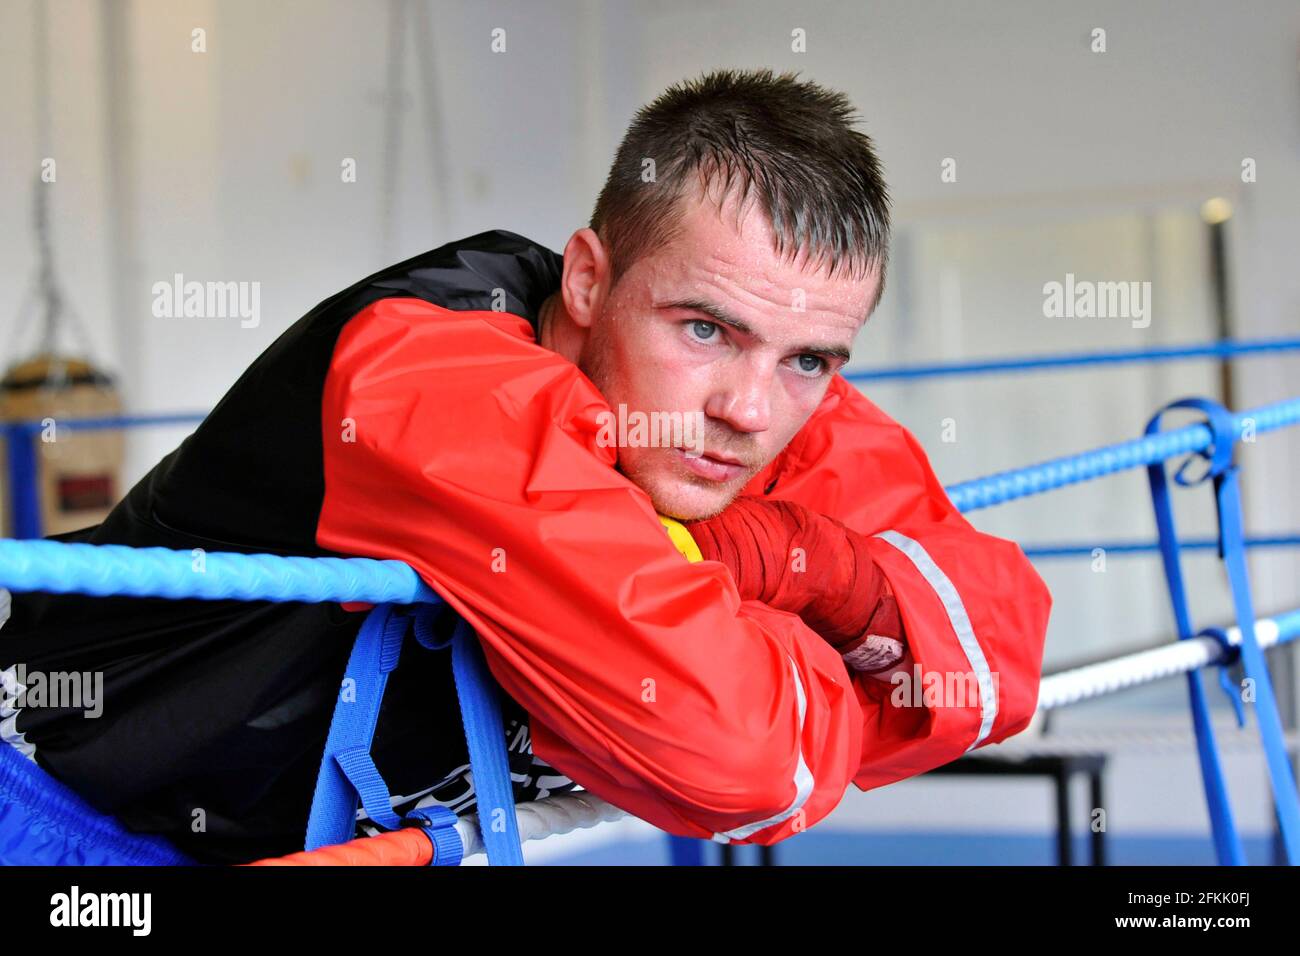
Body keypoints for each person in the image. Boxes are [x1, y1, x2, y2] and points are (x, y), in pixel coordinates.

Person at [0, 68, 1050, 864]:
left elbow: (995, 658)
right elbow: (739, 756)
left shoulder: (754, 399)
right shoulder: (434, 377)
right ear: (589, 279)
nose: (748, 409)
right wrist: (847, 654)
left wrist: (799, 559)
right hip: (52, 806)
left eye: (811, 358)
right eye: (702, 329)